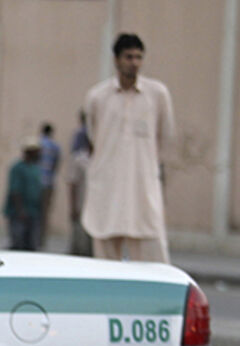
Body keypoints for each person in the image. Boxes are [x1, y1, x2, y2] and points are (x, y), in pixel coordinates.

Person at [82, 33, 175, 263]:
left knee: (154, 260)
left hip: (142, 187)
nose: (134, 62)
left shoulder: (157, 94)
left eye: (138, 57)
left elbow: (165, 139)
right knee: (105, 263)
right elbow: (93, 137)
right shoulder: (97, 97)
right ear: (116, 60)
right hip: (107, 188)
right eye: (128, 57)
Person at [3, 138, 44, 251]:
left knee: (32, 244)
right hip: (20, 213)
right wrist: (20, 210)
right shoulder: (17, 168)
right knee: (18, 243)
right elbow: (15, 190)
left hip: (33, 211)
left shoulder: (35, 168)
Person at [68, 114, 93, 256]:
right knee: (80, 241)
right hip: (82, 204)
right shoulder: (79, 159)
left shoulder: (102, 161)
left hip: (97, 208)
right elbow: (72, 183)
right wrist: (73, 206)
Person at [38, 123, 60, 231]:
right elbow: (56, 165)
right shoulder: (55, 147)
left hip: (37, 183)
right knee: (45, 212)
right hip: (49, 183)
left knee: (36, 212)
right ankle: (42, 238)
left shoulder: (38, 144)